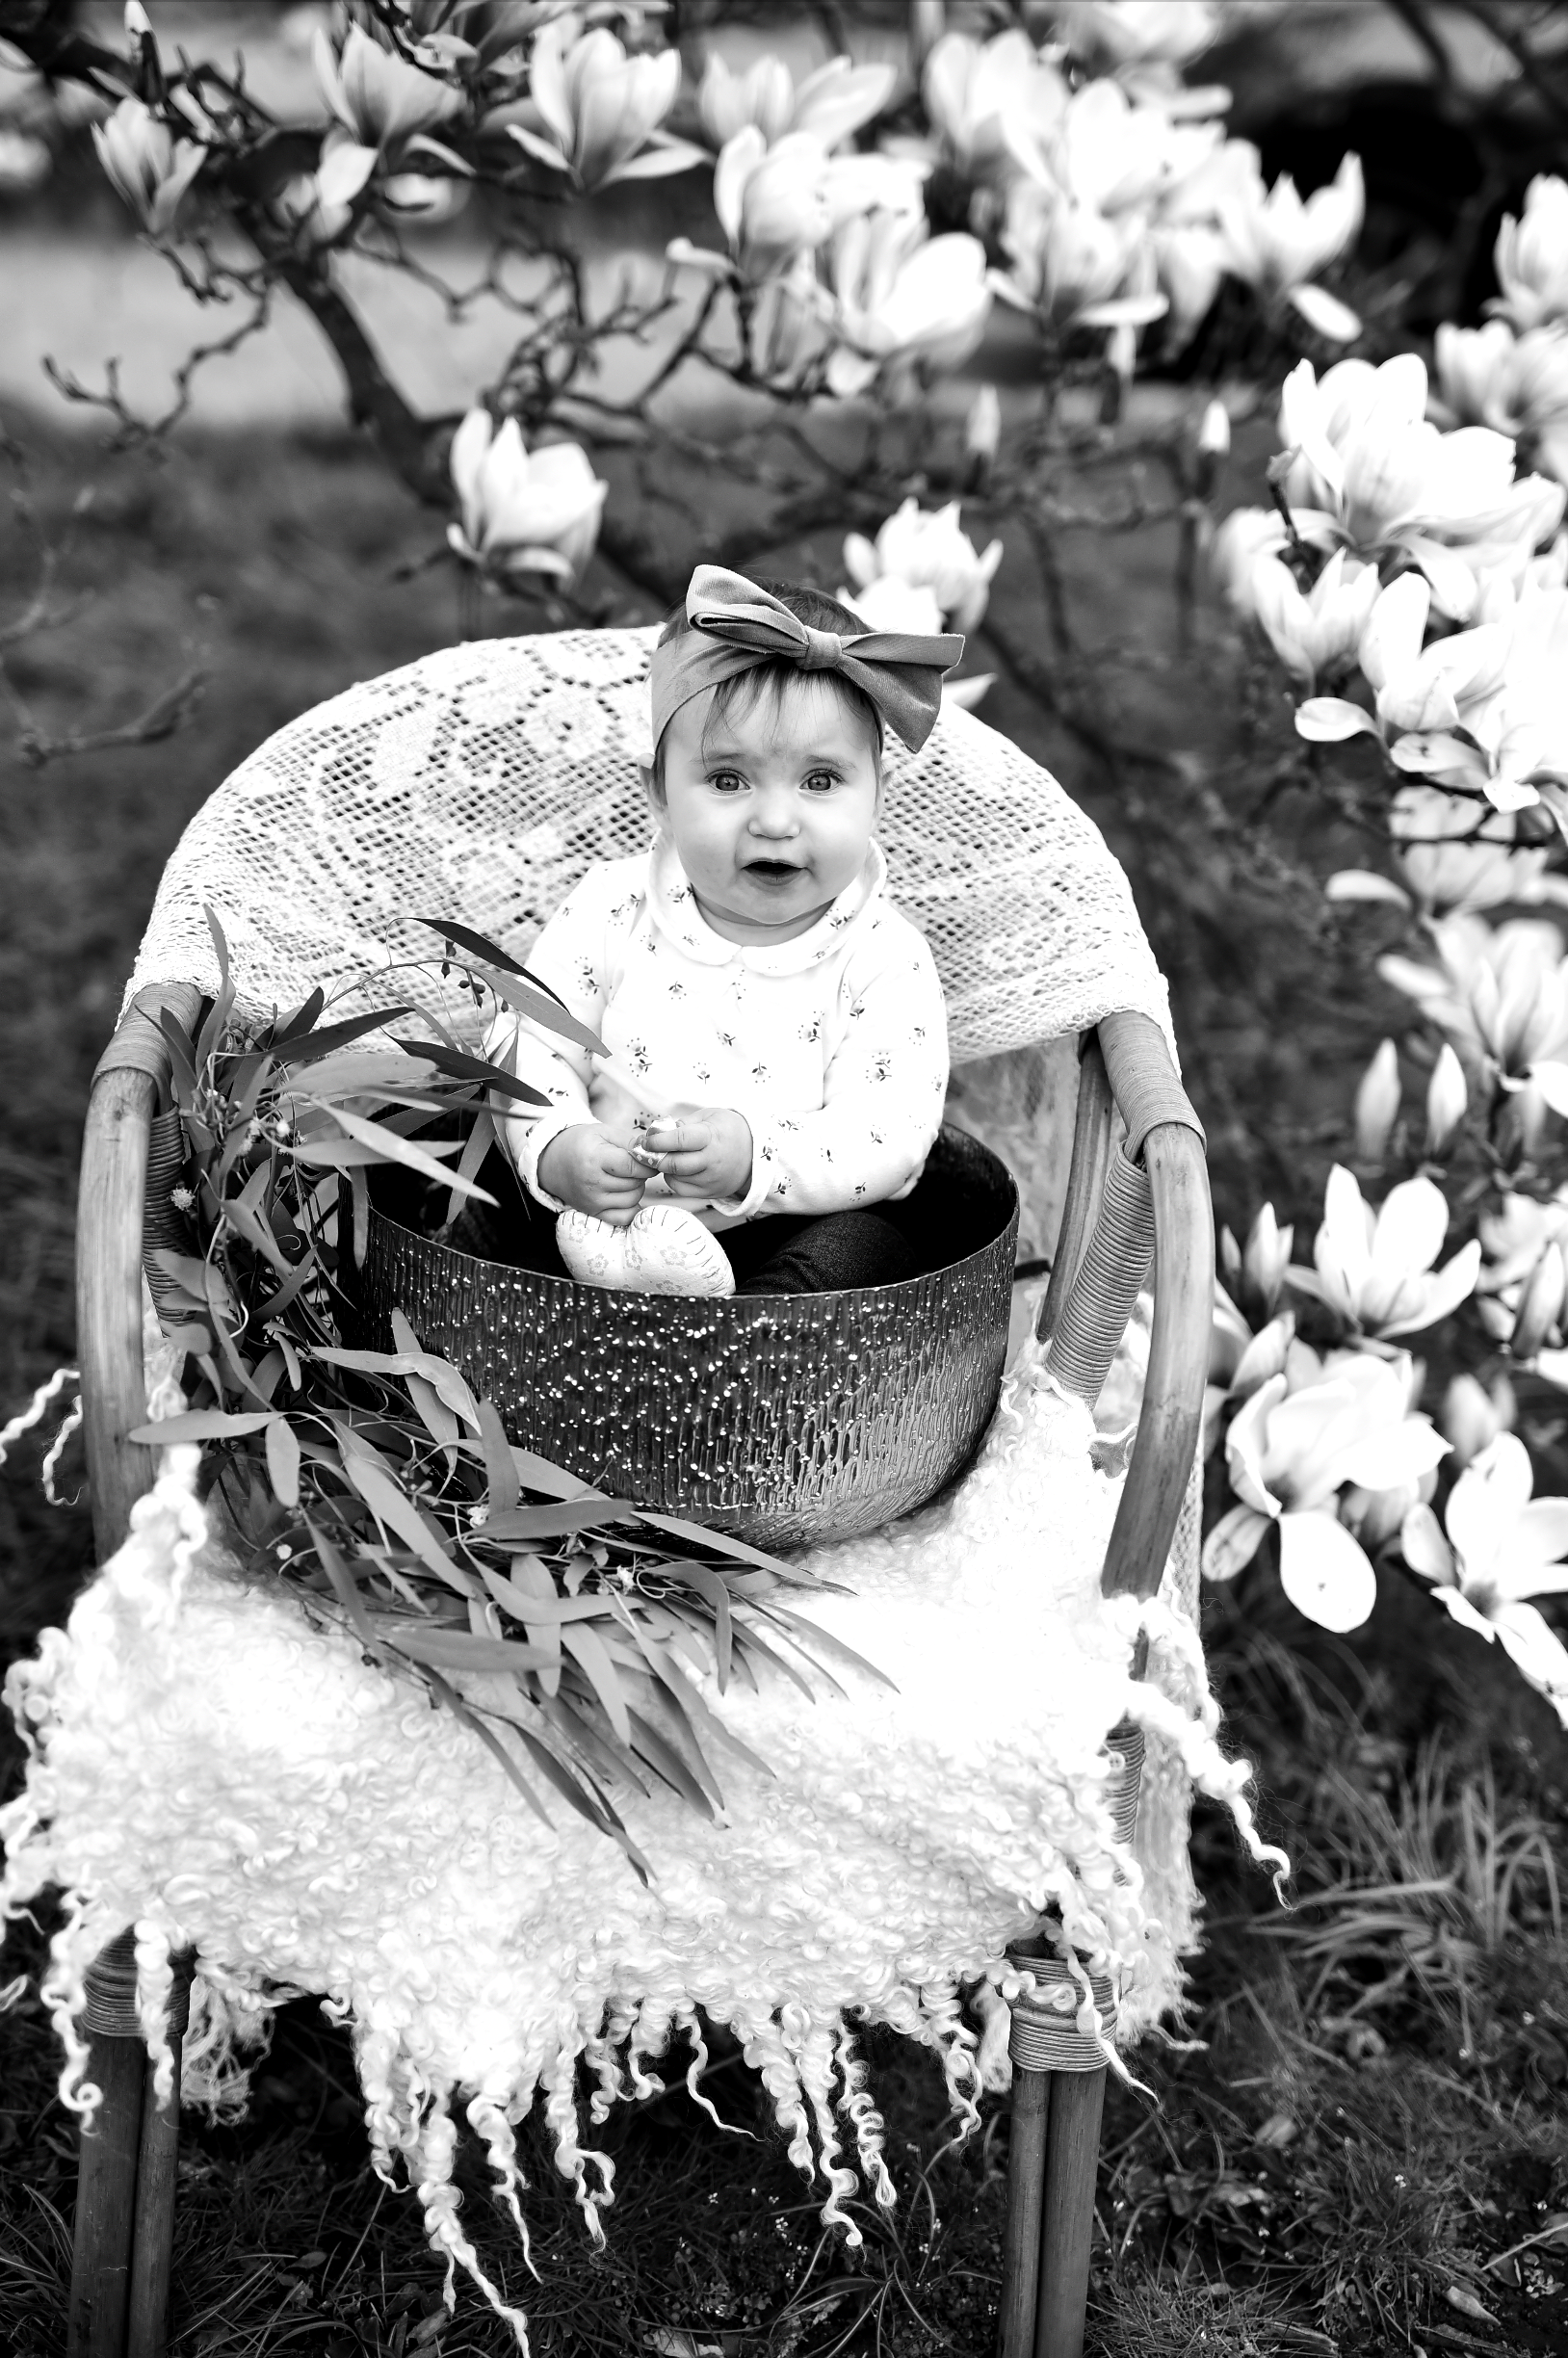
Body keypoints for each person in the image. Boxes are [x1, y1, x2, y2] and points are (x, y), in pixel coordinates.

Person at [483, 564, 961, 1297]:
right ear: (661, 796)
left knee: (865, 1252)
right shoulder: (613, 907)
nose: (774, 820)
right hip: (594, 1206)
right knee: (482, 1192)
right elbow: (529, 1037)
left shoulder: (882, 955)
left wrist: (756, 1157)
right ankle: (557, 1297)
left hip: (782, 1223)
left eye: (822, 780)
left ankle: (744, 1351)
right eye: (729, 780)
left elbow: (889, 1135)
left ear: (877, 797)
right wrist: (560, 1147)